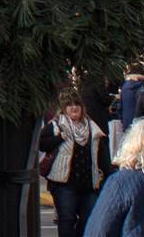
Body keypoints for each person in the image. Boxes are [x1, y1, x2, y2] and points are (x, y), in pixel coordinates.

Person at [41, 91, 112, 237]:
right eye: (69, 105)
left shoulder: (93, 127)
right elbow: (42, 145)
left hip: (89, 184)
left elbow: (102, 156)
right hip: (64, 183)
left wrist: (109, 176)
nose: (74, 108)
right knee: (67, 220)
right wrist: (59, 138)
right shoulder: (56, 125)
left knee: (89, 219)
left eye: (77, 104)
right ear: (63, 108)